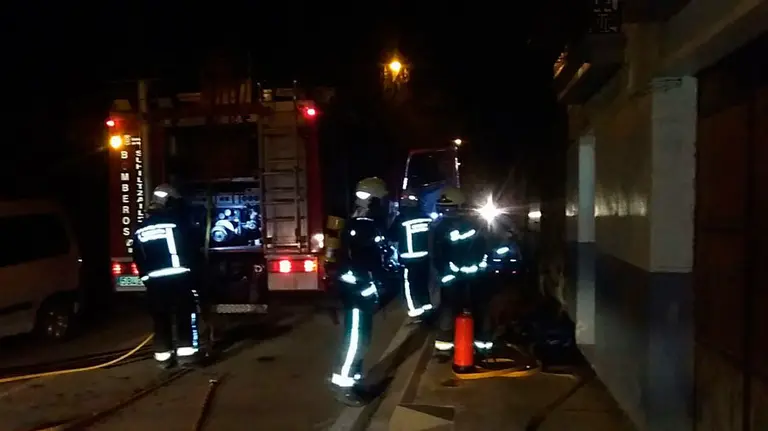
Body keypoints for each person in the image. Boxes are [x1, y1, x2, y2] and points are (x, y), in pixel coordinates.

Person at [330, 177, 393, 406]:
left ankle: (354, 383)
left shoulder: (363, 223)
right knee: (356, 342)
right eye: (381, 199)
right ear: (374, 199)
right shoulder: (360, 227)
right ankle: (343, 388)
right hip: (357, 296)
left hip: (360, 295)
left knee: (361, 340)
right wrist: (367, 288)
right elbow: (355, 265)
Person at [133, 184, 203, 369]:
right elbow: (189, 250)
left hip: (154, 283)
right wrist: (197, 275)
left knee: (160, 320)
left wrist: (146, 280)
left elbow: (138, 257)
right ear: (169, 203)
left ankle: (163, 358)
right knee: (183, 317)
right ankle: (186, 357)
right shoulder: (176, 224)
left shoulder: (140, 229)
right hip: (178, 279)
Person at [431, 186, 495, 355]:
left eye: (447, 207)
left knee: (452, 310)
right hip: (473, 277)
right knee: (476, 309)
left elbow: (437, 254)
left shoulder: (440, 227)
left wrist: (444, 273)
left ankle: (449, 347)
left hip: (459, 277)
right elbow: (486, 247)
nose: (445, 211)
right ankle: (480, 345)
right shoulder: (476, 223)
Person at [391, 191, 435, 322]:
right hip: (425, 257)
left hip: (409, 259)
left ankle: (414, 311)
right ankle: (427, 309)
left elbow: (392, 235)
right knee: (422, 284)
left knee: (409, 285)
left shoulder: (402, 218)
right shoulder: (425, 217)